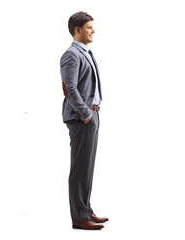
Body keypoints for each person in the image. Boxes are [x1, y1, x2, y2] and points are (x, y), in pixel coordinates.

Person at [60, 11, 108, 230]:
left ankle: (85, 210)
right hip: (82, 118)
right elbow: (69, 88)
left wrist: (93, 113)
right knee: (80, 168)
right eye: (89, 27)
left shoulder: (86, 52)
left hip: (91, 114)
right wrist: (86, 114)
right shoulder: (71, 54)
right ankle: (79, 217)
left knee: (87, 167)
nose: (93, 31)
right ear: (77, 30)